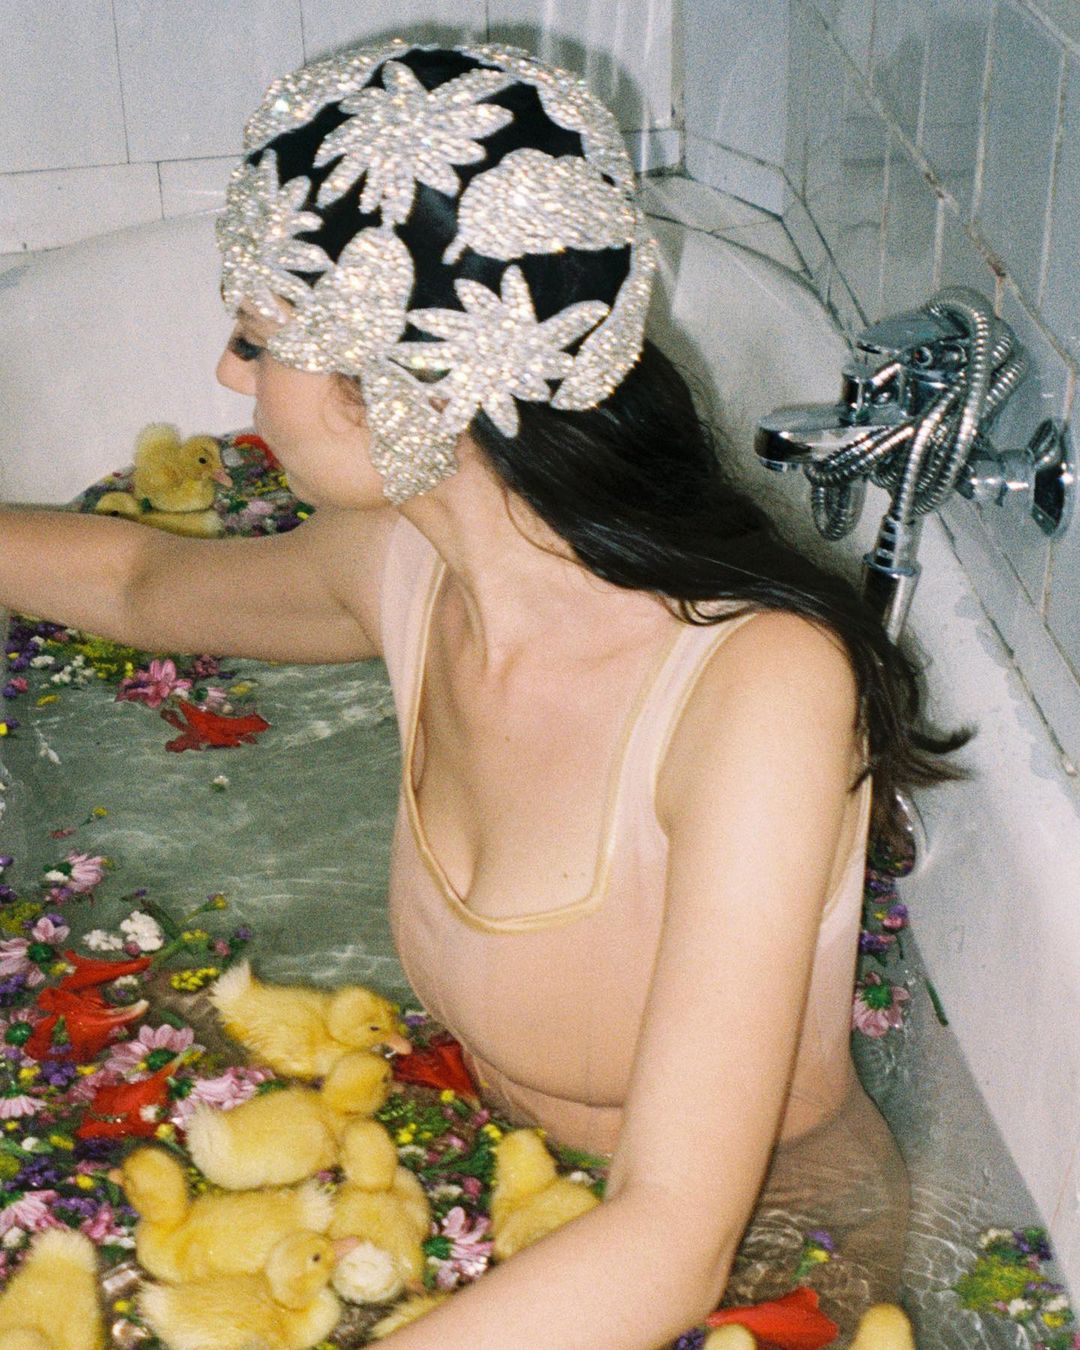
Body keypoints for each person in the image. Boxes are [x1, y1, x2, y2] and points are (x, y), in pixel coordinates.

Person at [0, 39, 967, 1346]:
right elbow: (140, 580)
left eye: (258, 338)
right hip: (509, 1186)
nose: (232, 378)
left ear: (400, 383)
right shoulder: (408, 564)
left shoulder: (753, 690)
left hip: (761, 1261)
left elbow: (672, 1239)